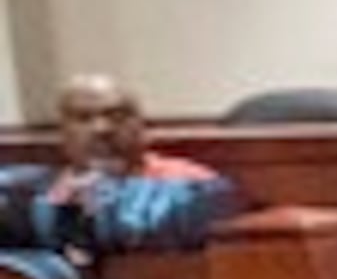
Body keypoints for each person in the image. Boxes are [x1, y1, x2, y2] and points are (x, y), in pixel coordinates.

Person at [4, 74, 239, 256]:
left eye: (117, 116)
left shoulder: (190, 185)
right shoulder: (38, 195)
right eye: (83, 118)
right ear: (62, 132)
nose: (102, 130)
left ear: (142, 125)